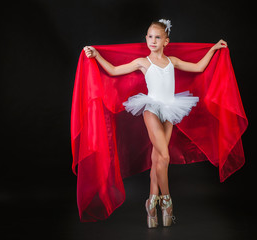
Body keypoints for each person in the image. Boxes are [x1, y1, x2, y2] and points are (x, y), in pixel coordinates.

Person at [83, 19, 227, 228]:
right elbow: (114, 71)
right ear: (146, 39)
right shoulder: (143, 62)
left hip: (170, 109)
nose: (152, 40)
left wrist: (213, 49)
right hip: (151, 107)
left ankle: (151, 202)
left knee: (158, 158)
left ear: (166, 41)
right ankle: (166, 201)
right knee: (165, 155)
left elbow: (198, 67)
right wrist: (96, 55)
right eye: (149, 36)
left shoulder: (172, 61)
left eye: (157, 37)